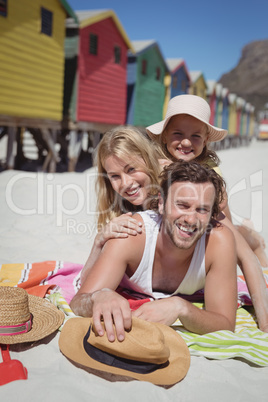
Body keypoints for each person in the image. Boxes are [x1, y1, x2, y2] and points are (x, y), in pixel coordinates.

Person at [71, 161, 238, 341]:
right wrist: (98, 297)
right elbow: (78, 302)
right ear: (161, 203)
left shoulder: (219, 242)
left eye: (202, 209)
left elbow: (225, 324)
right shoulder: (131, 235)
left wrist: (181, 308)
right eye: (182, 205)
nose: (191, 219)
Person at [146, 94, 268, 332]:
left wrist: (264, 322)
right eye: (178, 134)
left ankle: (257, 242)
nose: (186, 142)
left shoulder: (210, 174)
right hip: (180, 226)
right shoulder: (155, 164)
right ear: (164, 136)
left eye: (196, 136)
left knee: (242, 241)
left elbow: (228, 232)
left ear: (205, 142)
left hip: (210, 219)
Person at [80, 125, 162, 284]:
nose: (126, 183)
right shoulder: (123, 212)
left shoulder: (170, 197)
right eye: (115, 176)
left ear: (148, 159)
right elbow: (85, 282)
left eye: (131, 169)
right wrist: (99, 241)